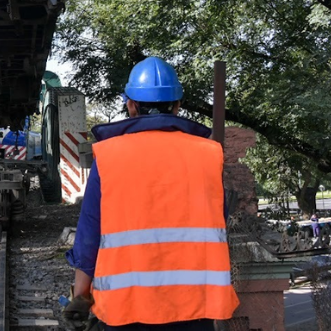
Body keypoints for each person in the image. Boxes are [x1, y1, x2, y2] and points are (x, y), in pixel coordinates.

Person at [63, 57, 239, 331]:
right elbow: (218, 222)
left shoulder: (109, 156)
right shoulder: (209, 155)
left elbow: (89, 233)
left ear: (131, 105)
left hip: (125, 309)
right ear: (177, 106)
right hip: (196, 307)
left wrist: (81, 295)